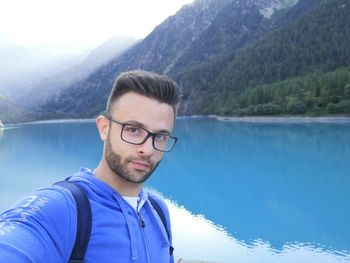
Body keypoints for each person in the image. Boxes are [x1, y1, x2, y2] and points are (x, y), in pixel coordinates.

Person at [0, 70, 181, 262]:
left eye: (160, 136)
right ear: (104, 128)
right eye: (133, 130)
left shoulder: (158, 211)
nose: (147, 149)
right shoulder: (63, 209)